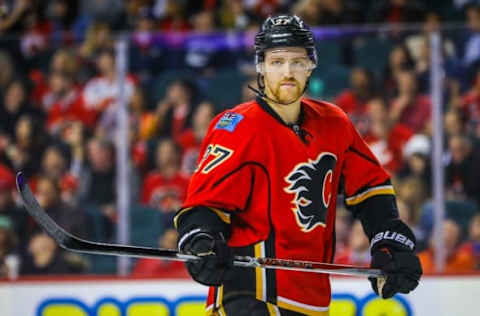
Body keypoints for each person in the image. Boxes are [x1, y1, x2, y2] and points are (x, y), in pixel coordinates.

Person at [174, 15, 422, 315]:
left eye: (297, 61)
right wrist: (202, 241)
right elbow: (204, 205)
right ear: (261, 68)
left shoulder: (334, 122)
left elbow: (371, 188)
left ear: (311, 66)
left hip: (312, 296)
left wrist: (389, 241)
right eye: (276, 62)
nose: (287, 71)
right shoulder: (238, 126)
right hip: (250, 294)